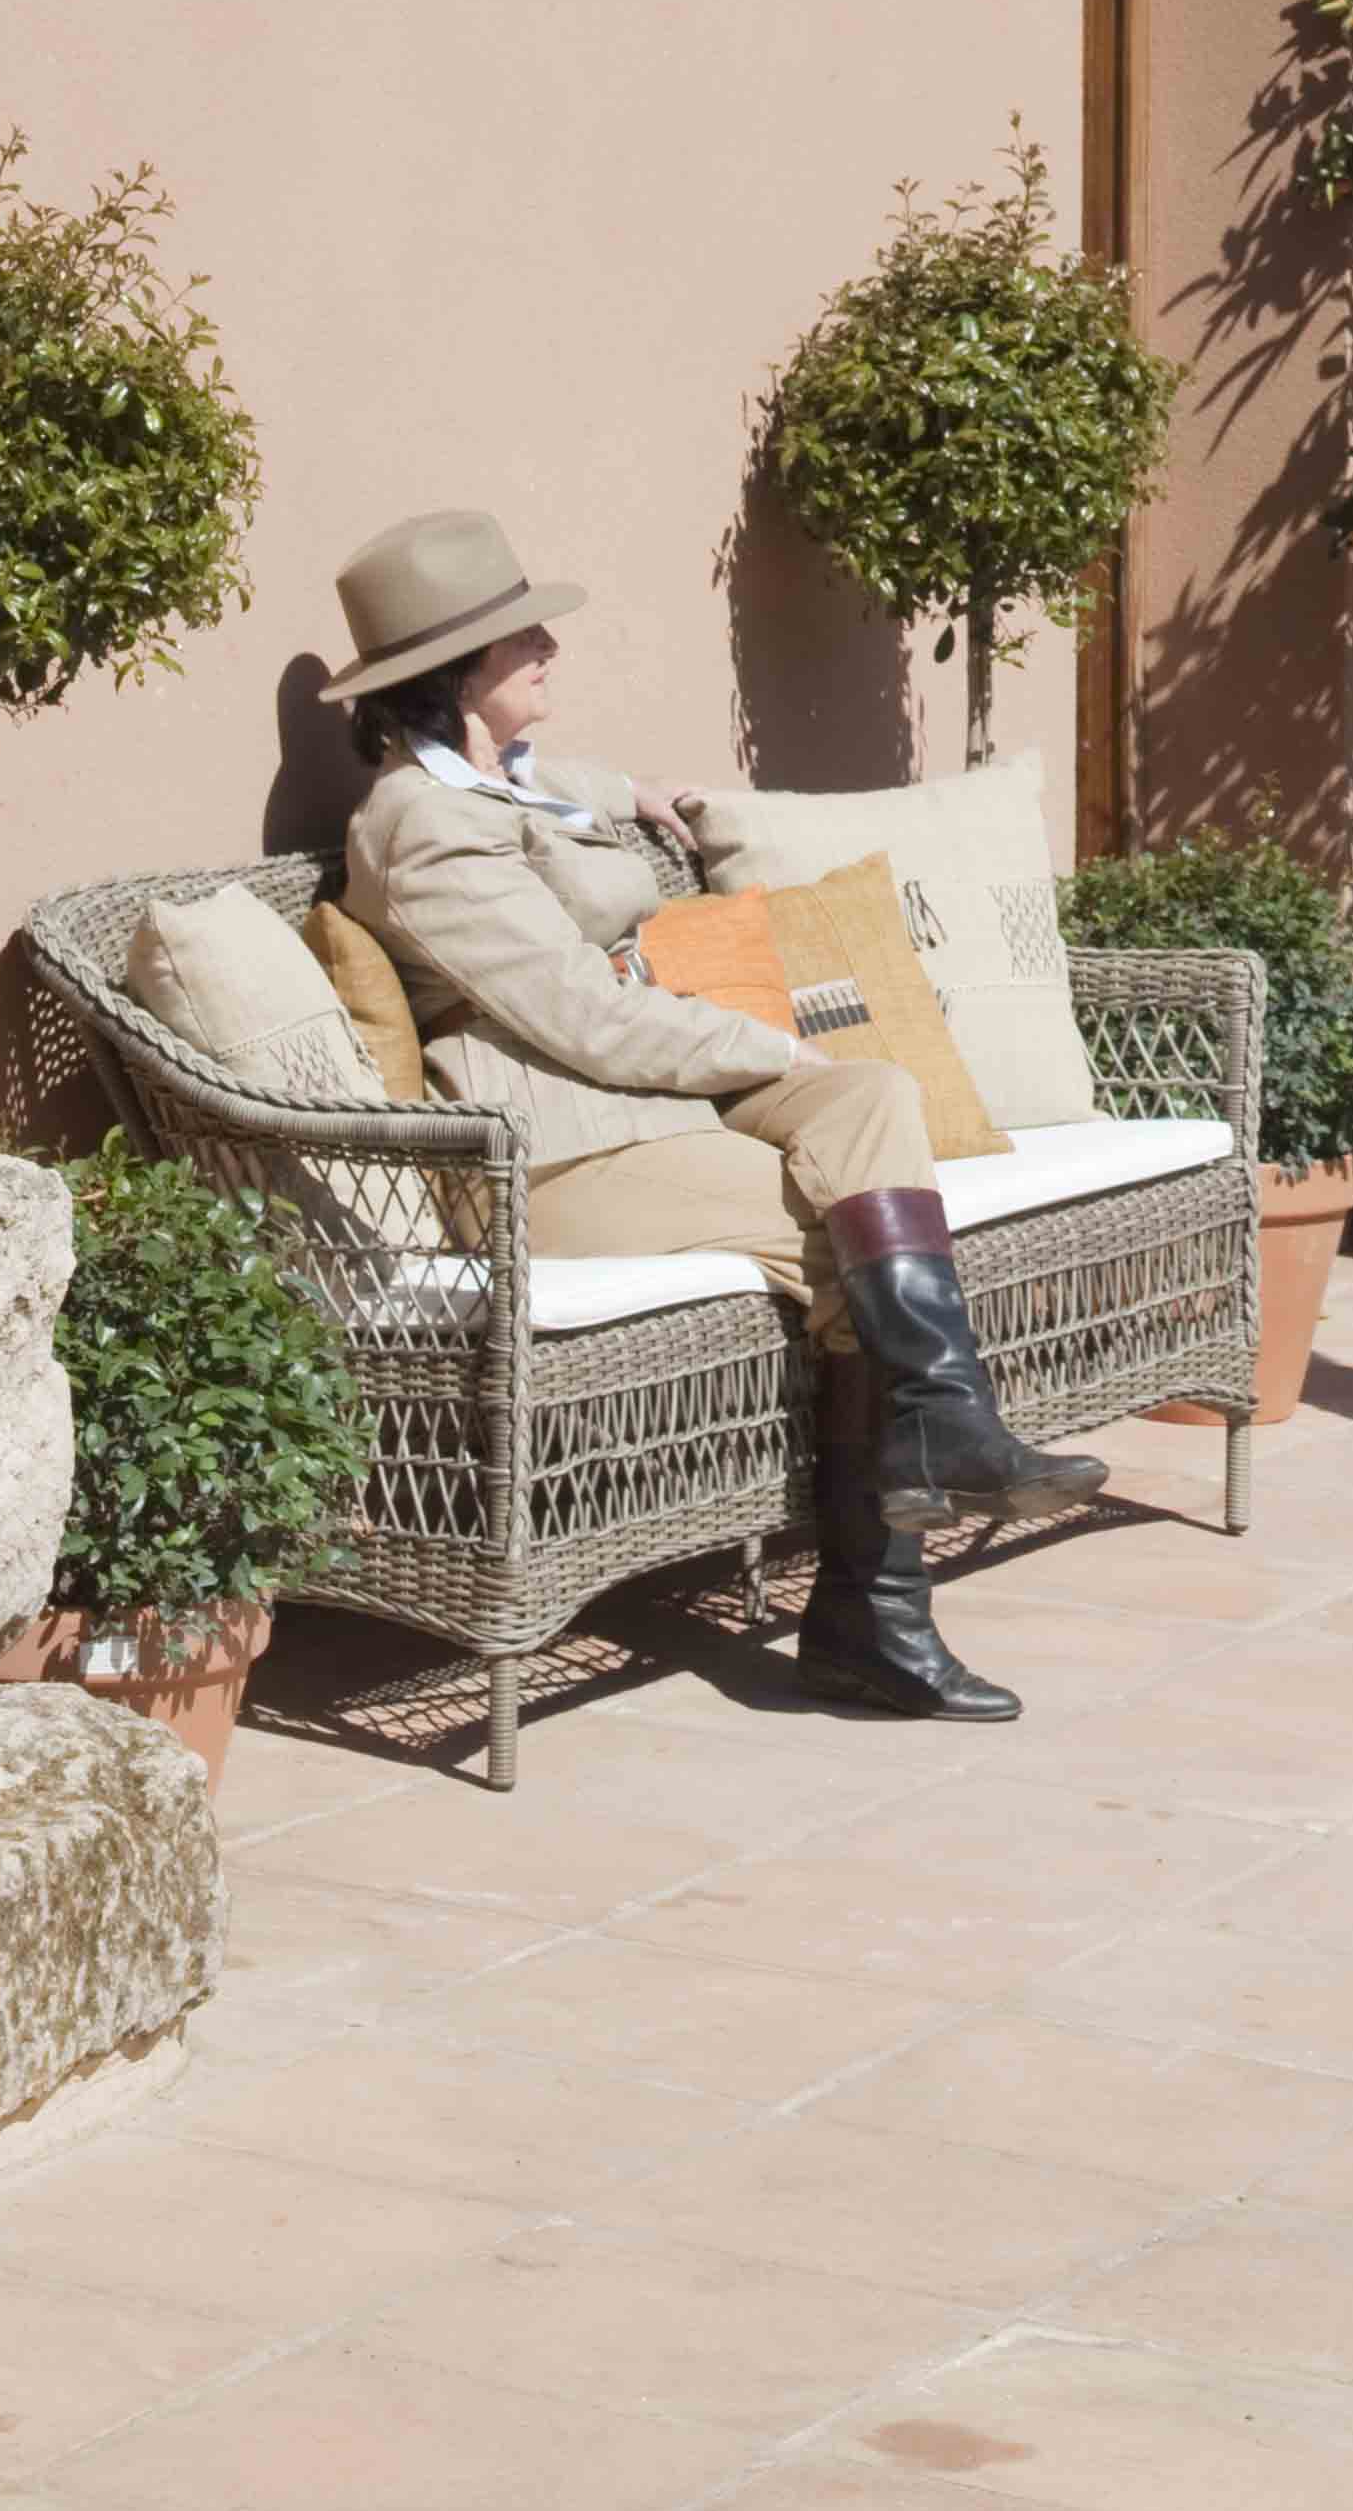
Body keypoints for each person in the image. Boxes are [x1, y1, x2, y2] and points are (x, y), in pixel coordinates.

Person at [321, 505, 1100, 1727]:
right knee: (854, 1239)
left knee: (872, 1095)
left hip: (654, 1101)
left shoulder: (501, 784)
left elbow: (552, 797)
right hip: (562, 1149)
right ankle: (875, 1609)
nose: (545, 645)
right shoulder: (420, 829)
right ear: (451, 671)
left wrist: (634, 791)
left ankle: (943, 1428)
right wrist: (762, 1043)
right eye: (516, 633)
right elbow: (582, 1020)